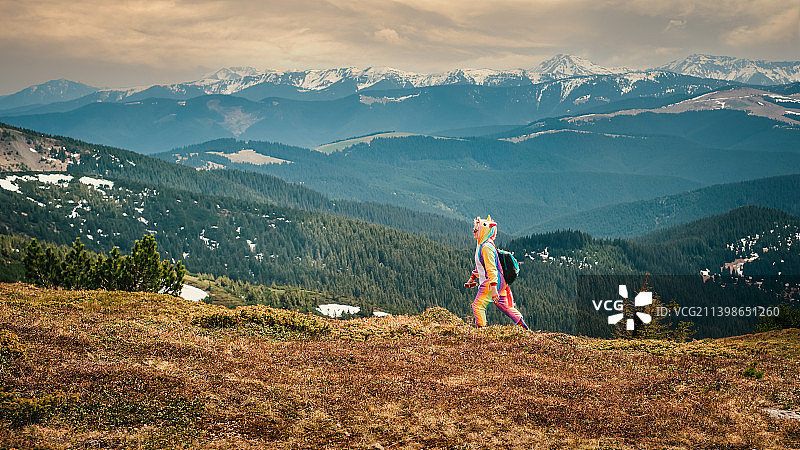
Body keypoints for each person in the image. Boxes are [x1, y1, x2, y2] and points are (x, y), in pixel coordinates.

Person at [464, 215, 529, 329]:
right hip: (500, 281)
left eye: (477, 228)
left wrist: (494, 289)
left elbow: (491, 268)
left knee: (478, 306)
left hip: (492, 282)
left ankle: (481, 332)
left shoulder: (486, 247)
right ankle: (524, 327)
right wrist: (471, 280)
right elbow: (480, 266)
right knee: (504, 305)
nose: (474, 230)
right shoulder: (482, 244)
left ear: (485, 230)